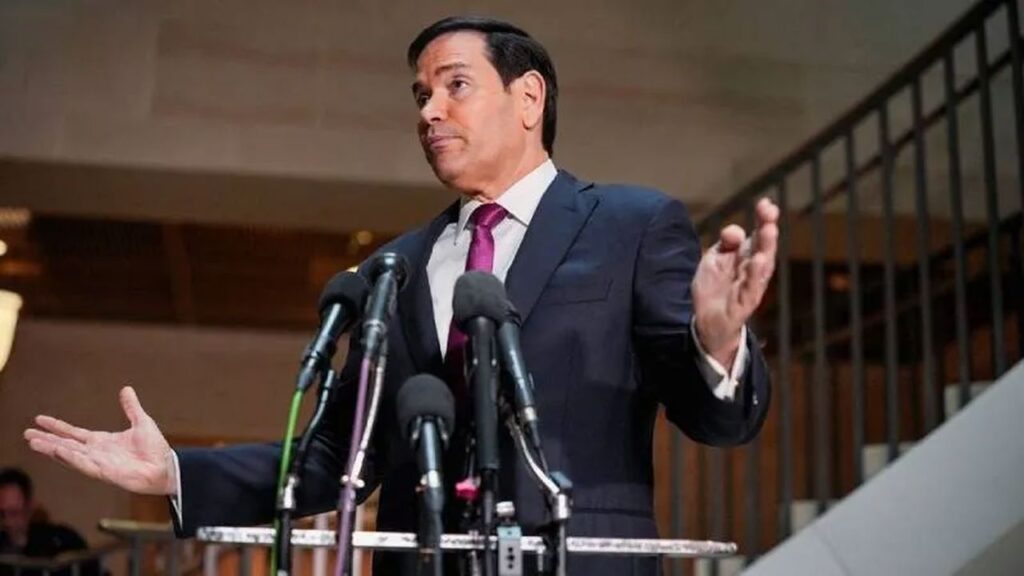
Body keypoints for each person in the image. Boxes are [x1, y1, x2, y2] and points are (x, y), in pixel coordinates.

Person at [25, 16, 779, 575]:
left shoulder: (630, 225)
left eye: (455, 86)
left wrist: (717, 344)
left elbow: (714, 418)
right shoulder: (396, 266)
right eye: (421, 94)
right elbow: (337, 454)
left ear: (528, 97)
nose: (428, 111)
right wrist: (174, 473)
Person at [0, 467, 95, 576]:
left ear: (30, 507)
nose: (7, 522)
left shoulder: (63, 541)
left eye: (14, 513)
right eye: (1, 514)